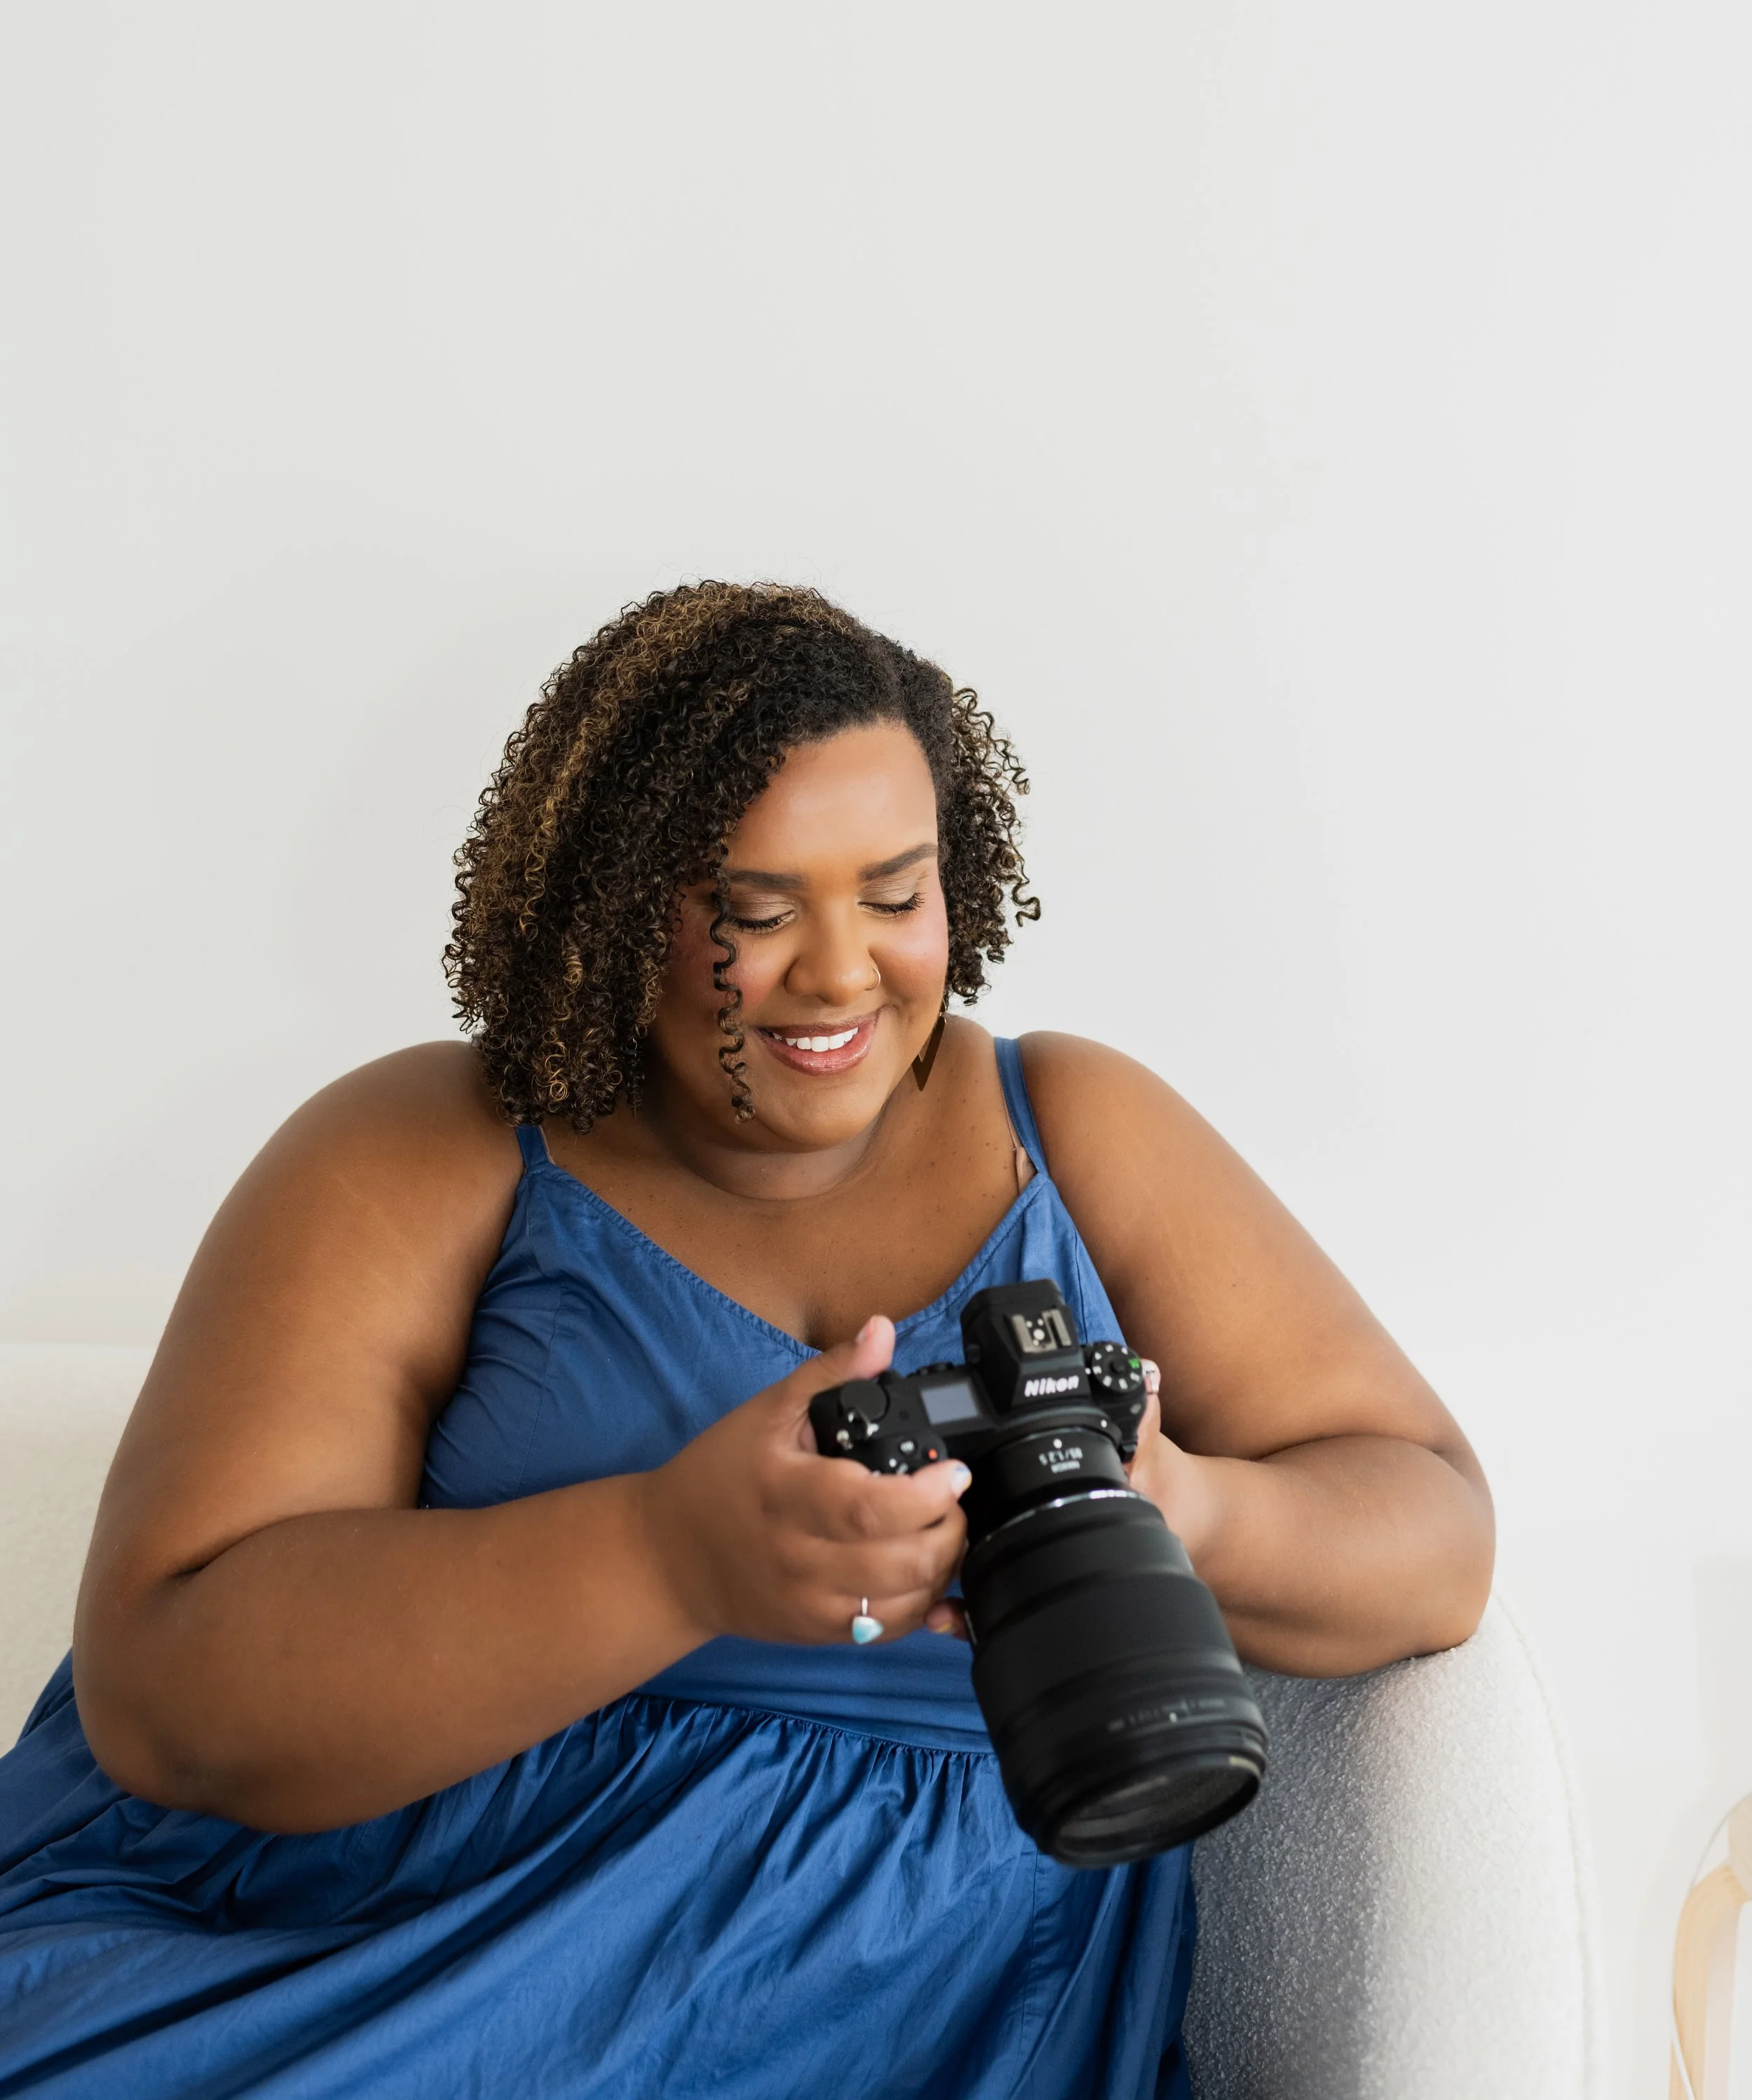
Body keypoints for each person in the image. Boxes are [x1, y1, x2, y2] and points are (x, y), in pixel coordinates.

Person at [0, 582, 1493, 2097]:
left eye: (893, 896)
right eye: (752, 909)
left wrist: (1180, 1509)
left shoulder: (1079, 1133)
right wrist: (673, 1554)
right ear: (608, 903)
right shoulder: (424, 1151)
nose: (839, 971)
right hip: (391, 1947)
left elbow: (1430, 1528)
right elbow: (168, 1683)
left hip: (920, 2005)